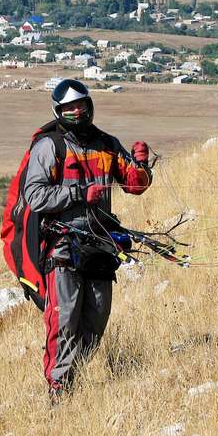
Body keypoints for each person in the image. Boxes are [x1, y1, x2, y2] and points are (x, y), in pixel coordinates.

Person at [22, 78, 152, 402]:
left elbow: (134, 186)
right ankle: (59, 390)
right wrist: (78, 193)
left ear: (90, 105)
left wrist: (142, 166)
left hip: (99, 242)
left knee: (96, 317)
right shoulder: (49, 147)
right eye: (69, 108)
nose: (76, 111)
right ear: (59, 111)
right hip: (62, 244)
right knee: (64, 317)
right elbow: (34, 194)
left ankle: (73, 378)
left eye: (80, 105)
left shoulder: (107, 145)